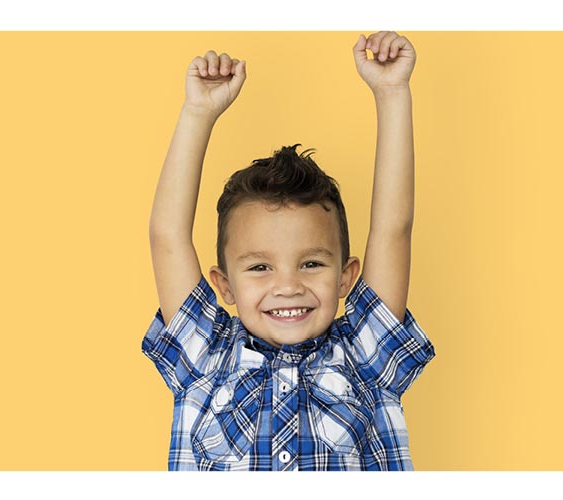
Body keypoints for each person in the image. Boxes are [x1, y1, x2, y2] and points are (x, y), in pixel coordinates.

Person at [143, 31, 433, 470]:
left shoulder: (365, 358)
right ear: (224, 284)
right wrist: (198, 112)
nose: (288, 286)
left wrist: (391, 92)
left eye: (311, 263)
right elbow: (167, 235)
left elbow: (394, 229)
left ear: (346, 276)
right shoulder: (205, 357)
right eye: (260, 266)